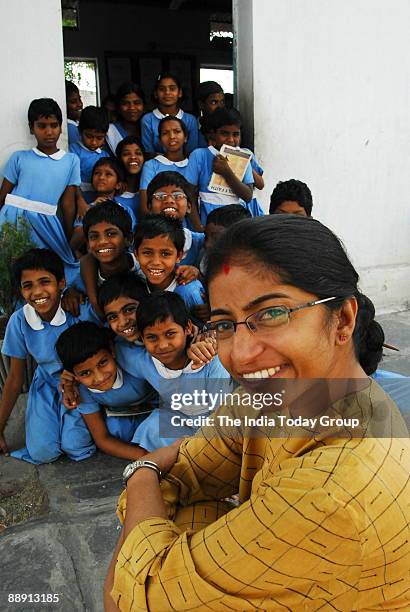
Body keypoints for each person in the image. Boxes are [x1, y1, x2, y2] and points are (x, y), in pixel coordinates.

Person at [105, 215, 410, 611]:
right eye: (225, 325)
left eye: (271, 314)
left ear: (343, 320)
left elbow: (135, 601)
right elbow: (192, 470)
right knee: (188, 515)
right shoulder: (275, 398)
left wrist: (142, 473)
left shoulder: (332, 494)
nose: (242, 354)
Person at [0, 249, 98, 464]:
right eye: (28, 286)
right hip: (46, 385)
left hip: (81, 384)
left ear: (61, 283)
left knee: (76, 447)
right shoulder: (20, 321)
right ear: (21, 291)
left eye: (45, 282)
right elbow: (15, 378)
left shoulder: (76, 310)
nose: (37, 292)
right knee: (43, 453)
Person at [115, 291, 232, 452]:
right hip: (179, 421)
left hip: (214, 425)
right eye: (152, 338)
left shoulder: (210, 360)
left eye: (170, 334)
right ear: (142, 338)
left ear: (188, 328)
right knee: (153, 427)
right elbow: (110, 348)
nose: (162, 345)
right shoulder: (142, 361)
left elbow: (221, 416)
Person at [0, 98, 81, 286]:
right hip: (12, 216)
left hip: (46, 221)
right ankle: (10, 310)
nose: (49, 131)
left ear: (61, 127)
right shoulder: (19, 157)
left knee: (54, 264)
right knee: (10, 264)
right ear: (31, 128)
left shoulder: (71, 160)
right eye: (41, 126)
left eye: (54, 125)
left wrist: (68, 236)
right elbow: (3, 195)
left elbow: (68, 203)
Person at [56, 321, 153, 459]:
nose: (100, 377)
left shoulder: (134, 364)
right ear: (74, 376)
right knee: (109, 432)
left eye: (102, 363)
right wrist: (147, 456)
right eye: (85, 373)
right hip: (121, 415)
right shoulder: (82, 389)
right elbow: (102, 439)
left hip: (155, 409)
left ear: (112, 351)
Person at [185, 107, 254, 224]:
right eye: (224, 133)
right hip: (208, 218)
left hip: (237, 218)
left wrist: (227, 172)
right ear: (213, 134)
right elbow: (189, 193)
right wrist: (198, 226)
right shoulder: (199, 155)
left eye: (236, 134)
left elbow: (247, 195)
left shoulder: (243, 156)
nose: (231, 140)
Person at [79, 201, 141, 316]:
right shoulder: (82, 279)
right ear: (88, 243)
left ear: (129, 238)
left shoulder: (144, 267)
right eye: (94, 236)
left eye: (111, 234)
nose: (102, 242)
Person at [134, 215, 206, 314]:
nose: (156, 262)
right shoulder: (133, 286)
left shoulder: (190, 292)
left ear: (179, 256)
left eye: (165, 254)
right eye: (147, 253)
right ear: (136, 254)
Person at [69, 159, 136, 255]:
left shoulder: (125, 210)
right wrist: (91, 211)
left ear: (118, 185)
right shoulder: (86, 209)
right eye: (97, 173)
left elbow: (132, 241)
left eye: (108, 174)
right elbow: (74, 243)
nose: (101, 177)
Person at [139, 116, 193, 217]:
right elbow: (145, 206)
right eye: (165, 133)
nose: (172, 136)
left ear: (185, 137)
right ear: (160, 140)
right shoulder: (151, 165)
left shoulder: (193, 164)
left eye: (177, 131)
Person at [146, 171, 204, 260]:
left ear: (189, 207)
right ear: (149, 207)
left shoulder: (201, 242)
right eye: (160, 196)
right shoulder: (140, 240)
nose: (169, 200)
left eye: (177, 196)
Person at [141, 72, 198, 155]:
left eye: (172, 88)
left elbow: (192, 152)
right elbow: (148, 153)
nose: (167, 93)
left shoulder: (190, 120)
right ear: (156, 94)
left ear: (180, 93)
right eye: (162, 89)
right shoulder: (147, 119)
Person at [69, 105, 110, 192]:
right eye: (89, 136)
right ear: (80, 131)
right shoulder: (73, 151)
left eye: (99, 138)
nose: (94, 142)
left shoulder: (105, 156)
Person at [106, 82, 145, 156]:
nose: (132, 108)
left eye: (137, 103)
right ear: (118, 107)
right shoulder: (110, 132)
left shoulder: (149, 130)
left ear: (144, 106)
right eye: (126, 103)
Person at [115, 136, 145, 220]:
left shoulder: (150, 193)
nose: (133, 157)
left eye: (138, 153)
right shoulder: (113, 195)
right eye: (126, 154)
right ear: (119, 159)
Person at [196, 80, 225, 147]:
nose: (220, 107)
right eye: (214, 102)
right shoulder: (192, 128)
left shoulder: (229, 128)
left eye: (222, 102)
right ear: (201, 104)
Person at [65, 80, 83, 145]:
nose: (80, 104)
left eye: (79, 99)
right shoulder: (71, 128)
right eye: (73, 102)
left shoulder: (77, 123)